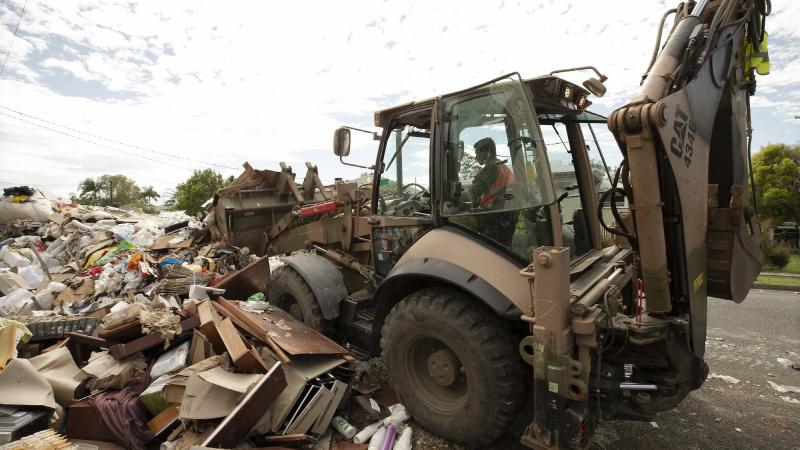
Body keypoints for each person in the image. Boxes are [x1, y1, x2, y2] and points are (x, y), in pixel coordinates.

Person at [468, 137, 518, 245]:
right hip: (506, 220)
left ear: (487, 152)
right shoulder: (501, 166)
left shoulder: (491, 169)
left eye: (477, 153)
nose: (476, 157)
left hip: (494, 224)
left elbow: (472, 193)